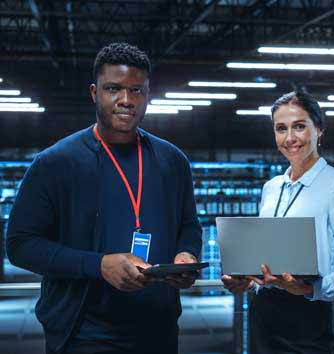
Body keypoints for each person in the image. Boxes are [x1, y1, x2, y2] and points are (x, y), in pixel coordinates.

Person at [6, 43, 202, 354]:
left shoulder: (172, 161)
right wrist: (98, 266)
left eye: (137, 90)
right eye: (114, 89)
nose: (126, 100)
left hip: (158, 329)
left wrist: (186, 256)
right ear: (95, 92)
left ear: (148, 94)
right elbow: (20, 244)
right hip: (84, 333)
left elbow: (189, 226)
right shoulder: (55, 163)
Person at [222, 91, 334, 354]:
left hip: (307, 316)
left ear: (319, 129)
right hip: (263, 314)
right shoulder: (271, 188)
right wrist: (247, 279)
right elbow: (265, 258)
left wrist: (312, 288)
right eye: (281, 129)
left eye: (299, 127)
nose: (290, 138)